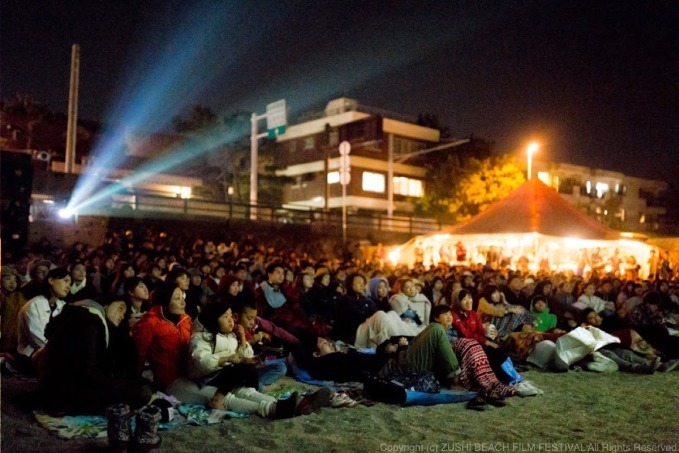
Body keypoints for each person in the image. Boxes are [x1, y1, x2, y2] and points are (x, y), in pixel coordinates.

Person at [36, 299, 152, 414]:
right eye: (121, 310)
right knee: (141, 392)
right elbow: (87, 371)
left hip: (57, 389)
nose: (121, 317)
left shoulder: (77, 317)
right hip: (66, 395)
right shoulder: (89, 323)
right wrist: (114, 384)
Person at [132, 283, 192, 391]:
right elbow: (138, 357)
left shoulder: (185, 320)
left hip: (191, 377)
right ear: (165, 303)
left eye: (183, 297)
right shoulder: (149, 323)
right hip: (168, 384)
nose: (183, 302)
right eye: (177, 299)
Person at [16, 267, 71, 373]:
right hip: (31, 356)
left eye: (70, 283)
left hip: (54, 352)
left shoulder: (63, 306)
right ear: (51, 280)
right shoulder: (33, 305)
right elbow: (38, 340)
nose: (68, 286)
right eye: (65, 281)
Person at [1, 266, 26, 355]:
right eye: (8, 279)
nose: (12, 283)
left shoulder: (19, 296)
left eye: (15, 280)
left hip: (15, 340)